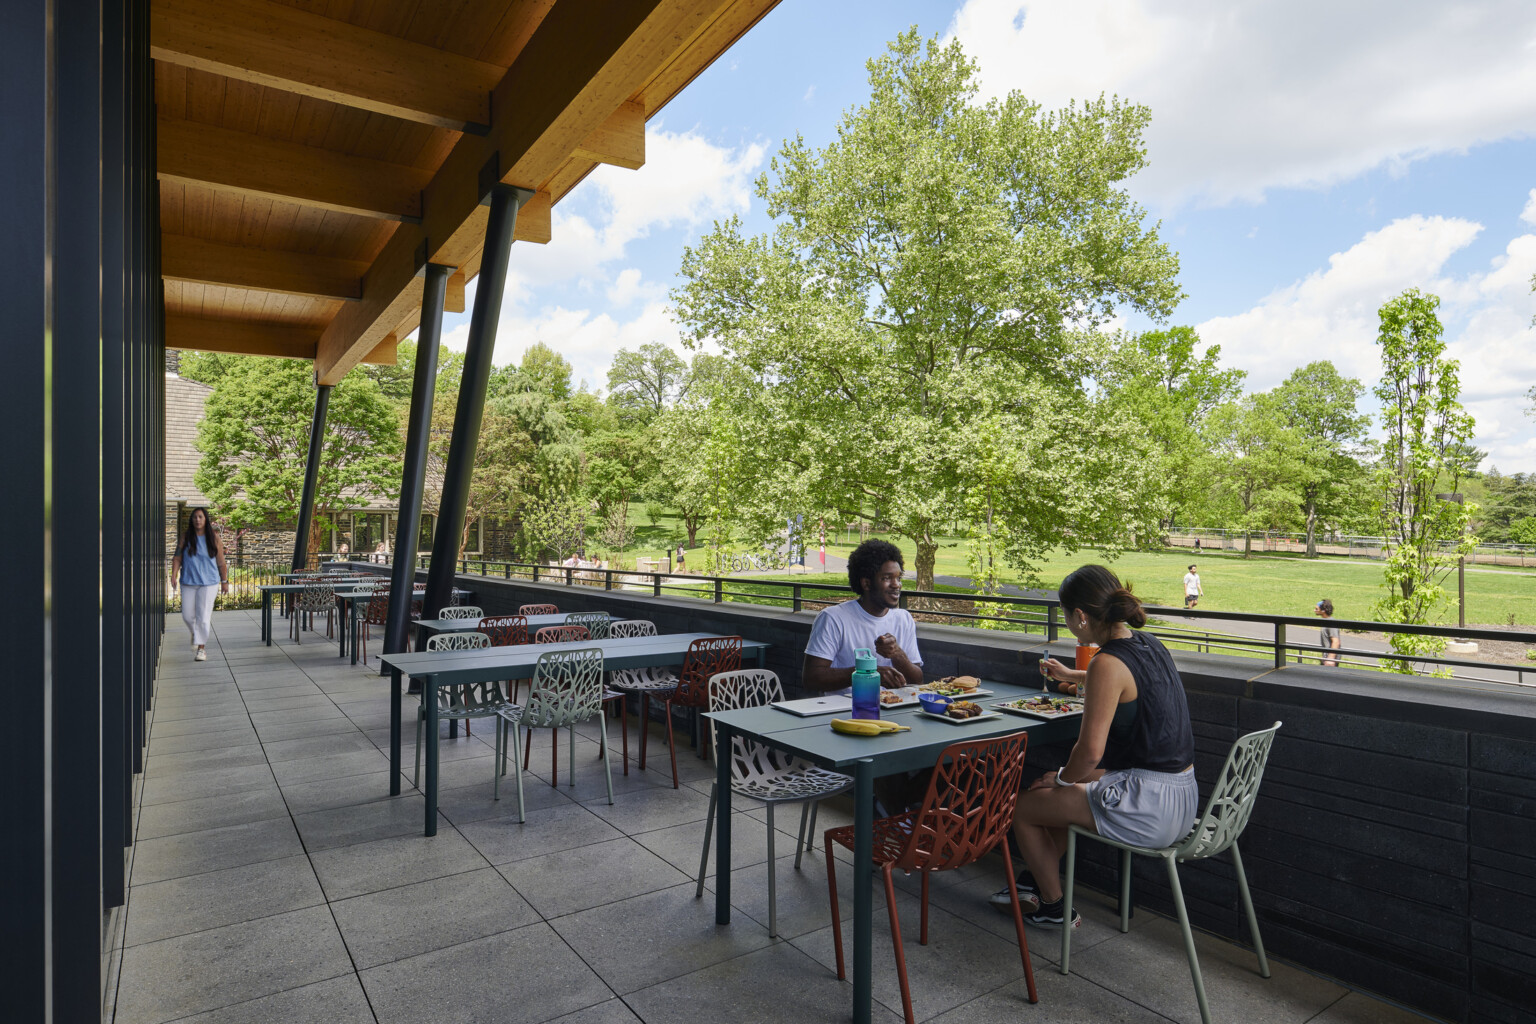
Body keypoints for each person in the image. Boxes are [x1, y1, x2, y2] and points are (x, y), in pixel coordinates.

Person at [991, 565, 1196, 928]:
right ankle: (1034, 882)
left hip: (1149, 807)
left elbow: (1089, 753)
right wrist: (1073, 675)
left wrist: (1063, 780)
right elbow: (1125, 680)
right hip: (1184, 797)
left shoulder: (1106, 662)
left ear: (1080, 616)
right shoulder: (1150, 643)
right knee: (1056, 799)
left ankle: (1054, 908)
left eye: (1067, 614)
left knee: (1025, 806)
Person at [802, 539, 923, 693]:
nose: (896, 584)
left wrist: (898, 654)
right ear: (866, 583)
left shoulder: (903, 619)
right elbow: (812, 679)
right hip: (846, 711)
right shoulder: (833, 618)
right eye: (887, 578)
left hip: (893, 708)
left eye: (899, 578)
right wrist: (868, 673)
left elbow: (917, 681)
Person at [170, 507, 229, 662]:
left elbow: (221, 563)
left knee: (203, 617)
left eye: (200, 517)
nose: (197, 520)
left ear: (205, 519)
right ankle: (196, 635)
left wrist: (224, 581)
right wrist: (174, 575)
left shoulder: (214, 538)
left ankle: (201, 649)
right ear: (191, 520)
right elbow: (177, 558)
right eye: (195, 517)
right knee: (187, 616)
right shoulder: (186, 537)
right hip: (188, 582)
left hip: (209, 583)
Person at [1315, 599, 1341, 667]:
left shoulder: (1331, 623)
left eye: (1316, 609)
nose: (1314, 610)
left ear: (1323, 610)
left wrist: (1330, 659)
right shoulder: (1326, 622)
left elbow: (1336, 641)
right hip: (1326, 657)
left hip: (1330, 660)